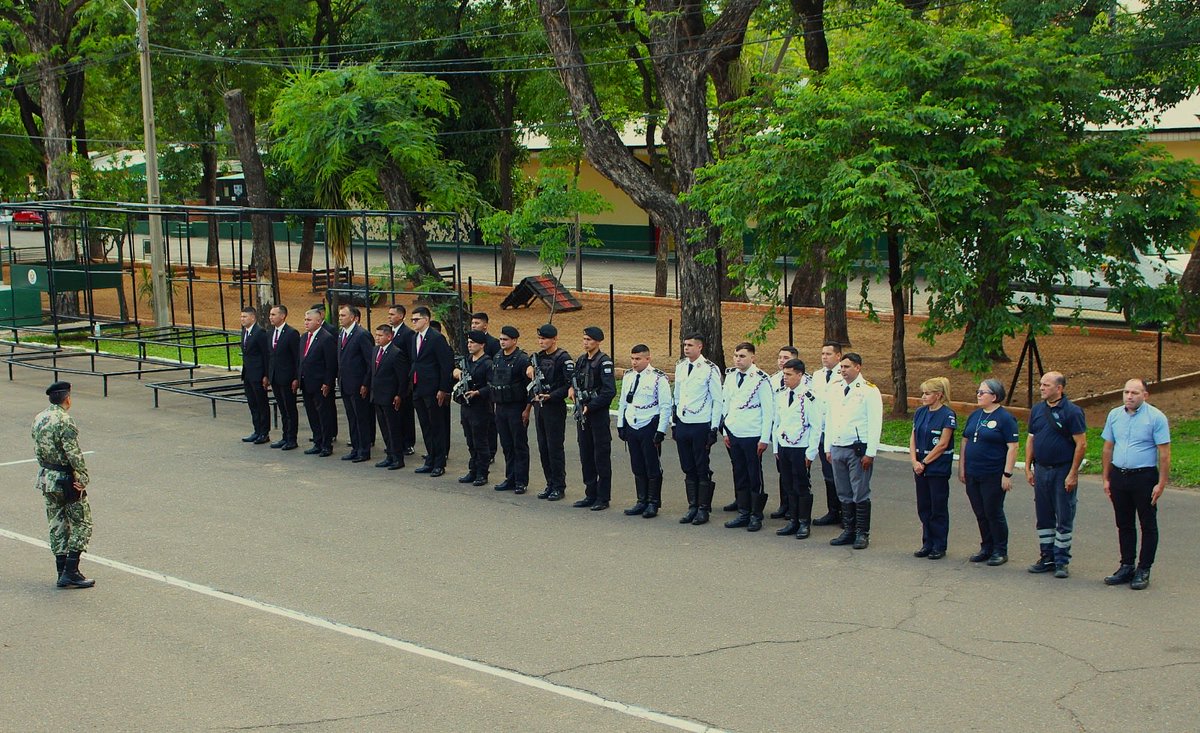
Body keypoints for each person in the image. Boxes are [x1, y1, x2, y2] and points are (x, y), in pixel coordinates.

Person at [1101, 379, 1171, 590]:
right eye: (1126, 392)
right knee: (1124, 523)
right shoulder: (1114, 415)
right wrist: (1106, 477)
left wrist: (1161, 483)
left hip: (1144, 477)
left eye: (1134, 393)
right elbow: (1107, 448)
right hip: (1119, 476)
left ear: (1145, 395)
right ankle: (1126, 565)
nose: (1129, 396)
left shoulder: (1155, 418)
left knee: (1147, 523)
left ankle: (1144, 568)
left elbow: (1164, 453)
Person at [1024, 371, 1087, 579]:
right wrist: (1027, 466)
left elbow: (1081, 444)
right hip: (1041, 469)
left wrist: (1072, 474)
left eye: (1046, 385)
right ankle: (1046, 556)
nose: (1041, 388)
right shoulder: (1037, 410)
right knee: (1044, 515)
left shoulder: (1072, 412)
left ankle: (1061, 560)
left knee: (1064, 514)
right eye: (1041, 384)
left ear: (1059, 389)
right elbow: (1031, 439)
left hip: (1062, 470)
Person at [32, 381, 95, 588]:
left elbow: (39, 451)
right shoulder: (64, 420)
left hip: (47, 478)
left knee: (57, 524)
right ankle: (71, 571)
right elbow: (73, 452)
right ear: (67, 398)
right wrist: (83, 477)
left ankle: (61, 571)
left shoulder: (39, 418)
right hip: (66, 479)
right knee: (82, 523)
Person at [823, 352, 883, 549]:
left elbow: (875, 423)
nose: (843, 371)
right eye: (841, 367)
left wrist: (870, 452)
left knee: (860, 491)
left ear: (858, 367)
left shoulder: (868, 390)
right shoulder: (835, 389)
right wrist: (828, 447)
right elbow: (831, 418)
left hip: (858, 448)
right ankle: (848, 530)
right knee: (843, 491)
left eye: (847, 367)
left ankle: (861, 532)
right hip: (838, 446)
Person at [959, 379, 1020, 566]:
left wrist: (1007, 474)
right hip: (973, 473)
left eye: (983, 392)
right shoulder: (975, 416)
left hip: (993, 474)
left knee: (993, 511)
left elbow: (1013, 447)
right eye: (978, 391)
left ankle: (1000, 550)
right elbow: (965, 441)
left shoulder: (1005, 418)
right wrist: (962, 467)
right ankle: (986, 546)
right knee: (980, 511)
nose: (978, 395)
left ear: (994, 396)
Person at [721, 342, 775, 532]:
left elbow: (768, 411)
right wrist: (726, 431)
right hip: (734, 431)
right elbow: (726, 404)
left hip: (752, 433)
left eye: (742, 356)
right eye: (736, 355)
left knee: (754, 475)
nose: (738, 359)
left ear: (753, 358)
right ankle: (743, 512)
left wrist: (764, 438)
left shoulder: (761, 379)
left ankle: (756, 515)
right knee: (739, 473)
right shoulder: (730, 376)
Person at [673, 333, 724, 525]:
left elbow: (717, 400)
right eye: (685, 345)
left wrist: (713, 428)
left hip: (701, 423)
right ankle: (692, 506)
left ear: (700, 347)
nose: (686, 348)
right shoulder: (680, 367)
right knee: (687, 466)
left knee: (701, 466)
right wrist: (675, 421)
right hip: (684, 422)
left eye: (690, 345)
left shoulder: (710, 369)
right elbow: (677, 395)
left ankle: (703, 509)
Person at [617, 344, 673, 518]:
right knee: (637, 465)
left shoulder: (658, 378)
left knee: (652, 466)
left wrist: (661, 431)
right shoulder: (628, 376)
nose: (634, 362)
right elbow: (623, 403)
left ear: (648, 359)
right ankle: (641, 501)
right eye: (632, 359)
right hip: (632, 424)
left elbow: (665, 407)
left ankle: (653, 502)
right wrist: (621, 424)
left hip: (649, 424)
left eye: (638, 359)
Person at [771, 359, 820, 538]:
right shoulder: (781, 395)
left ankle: (804, 523)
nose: (785, 378)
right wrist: (776, 447)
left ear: (800, 375)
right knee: (788, 483)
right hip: (784, 446)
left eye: (789, 374)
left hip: (801, 447)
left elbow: (816, 426)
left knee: (801, 485)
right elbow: (777, 422)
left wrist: (811, 452)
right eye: (784, 374)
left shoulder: (809, 397)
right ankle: (793, 520)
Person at [910, 377, 957, 560]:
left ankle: (939, 544)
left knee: (938, 507)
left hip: (936, 467)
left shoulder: (947, 415)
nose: (923, 396)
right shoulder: (920, 412)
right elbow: (913, 437)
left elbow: (943, 444)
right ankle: (927, 542)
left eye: (927, 393)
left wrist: (925, 462)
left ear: (938, 395)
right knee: (924, 506)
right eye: (923, 393)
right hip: (920, 465)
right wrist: (914, 461)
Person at [571, 326, 617, 510]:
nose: (586, 343)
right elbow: (574, 380)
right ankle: (590, 493)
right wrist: (572, 390)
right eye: (584, 339)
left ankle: (603, 497)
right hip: (583, 413)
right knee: (586, 454)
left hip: (597, 414)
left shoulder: (604, 362)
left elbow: (609, 392)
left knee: (601, 455)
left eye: (589, 340)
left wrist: (590, 406)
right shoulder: (582, 360)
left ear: (598, 341)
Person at [528, 323, 573, 501]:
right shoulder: (537, 358)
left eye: (544, 338)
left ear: (554, 339)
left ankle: (558, 486)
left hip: (554, 407)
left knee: (554, 448)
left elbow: (568, 385)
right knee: (543, 447)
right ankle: (549, 483)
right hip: (540, 407)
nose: (541, 342)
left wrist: (551, 396)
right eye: (539, 338)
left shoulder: (563, 357)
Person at [408, 305, 454, 476]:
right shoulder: (415, 338)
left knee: (437, 425)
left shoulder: (436, 338)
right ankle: (430, 457)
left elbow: (445, 365)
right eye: (412, 320)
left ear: (426, 320)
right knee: (425, 425)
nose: (413, 322)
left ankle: (439, 462)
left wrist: (443, 388)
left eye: (416, 319)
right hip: (418, 386)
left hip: (433, 388)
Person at [489, 326, 533, 493]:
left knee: (519, 445)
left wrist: (527, 409)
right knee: (507, 445)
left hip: (516, 407)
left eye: (505, 339)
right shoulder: (498, 357)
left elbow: (530, 387)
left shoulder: (522, 359)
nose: (502, 342)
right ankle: (511, 478)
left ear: (514, 341)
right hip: (501, 407)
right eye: (500, 339)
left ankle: (521, 481)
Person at [454, 331, 494, 487]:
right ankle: (473, 469)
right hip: (466, 406)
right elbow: (457, 373)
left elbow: (492, 386)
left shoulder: (487, 363)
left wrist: (478, 392)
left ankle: (482, 472)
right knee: (470, 440)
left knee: (480, 441)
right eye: (469, 342)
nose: (469, 345)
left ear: (482, 344)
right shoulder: (467, 361)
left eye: (473, 342)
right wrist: (456, 373)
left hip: (480, 407)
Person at [811, 341, 844, 528]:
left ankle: (845, 512)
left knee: (840, 474)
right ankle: (833, 511)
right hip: (821, 429)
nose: (824, 357)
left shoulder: (843, 374)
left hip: (836, 431)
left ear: (838, 356)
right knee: (828, 473)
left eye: (828, 354)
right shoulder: (817, 375)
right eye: (822, 353)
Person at [337, 305, 375, 462]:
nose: (340, 318)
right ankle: (355, 446)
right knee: (351, 417)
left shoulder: (361, 335)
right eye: (340, 315)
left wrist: (365, 383)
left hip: (358, 384)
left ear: (353, 318)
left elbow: (369, 362)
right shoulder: (342, 334)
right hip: (345, 383)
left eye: (343, 315)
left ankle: (364, 449)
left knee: (361, 418)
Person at [298, 308, 338, 457]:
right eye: (305, 319)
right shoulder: (304, 338)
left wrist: (328, 382)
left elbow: (330, 363)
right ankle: (317, 441)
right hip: (306, 382)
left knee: (324, 414)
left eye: (309, 320)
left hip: (320, 384)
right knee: (312, 413)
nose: (306, 322)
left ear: (318, 321)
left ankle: (326, 444)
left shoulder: (326, 338)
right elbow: (301, 360)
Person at [766, 346, 800, 519]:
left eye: (785, 358)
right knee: (783, 471)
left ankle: (796, 510)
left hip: (796, 435)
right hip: (779, 430)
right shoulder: (773, 380)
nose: (781, 361)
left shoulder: (805, 382)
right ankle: (784, 504)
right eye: (779, 357)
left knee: (798, 475)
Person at [369, 324, 409, 470]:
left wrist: (399, 394)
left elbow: (402, 377)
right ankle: (389, 455)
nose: (377, 338)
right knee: (384, 428)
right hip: (377, 395)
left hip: (390, 396)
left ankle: (398, 458)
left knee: (393, 429)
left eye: (380, 336)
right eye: (376, 335)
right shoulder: (375, 351)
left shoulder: (396, 353)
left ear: (389, 336)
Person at [267, 305, 300, 451]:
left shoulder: (292, 333)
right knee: (282, 409)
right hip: (275, 377)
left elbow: (297, 358)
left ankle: (292, 438)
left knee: (290, 409)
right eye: (270, 314)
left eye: (274, 314)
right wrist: (268, 375)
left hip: (287, 378)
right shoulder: (270, 333)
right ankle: (285, 436)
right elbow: (270, 356)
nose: (270, 317)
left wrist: (295, 378)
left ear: (282, 316)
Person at [238, 306, 272, 445]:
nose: (242, 319)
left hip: (258, 374)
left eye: (245, 317)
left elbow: (266, 355)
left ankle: (264, 432)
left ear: (253, 317)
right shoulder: (244, 332)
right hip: (248, 374)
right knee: (252, 403)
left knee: (261, 403)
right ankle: (257, 430)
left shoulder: (260, 333)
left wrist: (266, 375)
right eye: (241, 317)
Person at [471, 311, 502, 462]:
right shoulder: (471, 342)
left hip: (488, 387)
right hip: (474, 389)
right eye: (472, 323)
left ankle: (491, 451)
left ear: (485, 325)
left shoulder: (493, 343)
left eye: (477, 323)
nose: (474, 325)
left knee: (490, 422)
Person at [387, 304, 417, 456]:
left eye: (392, 314)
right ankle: (396, 441)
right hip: (390, 379)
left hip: (403, 378)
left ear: (400, 316)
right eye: (389, 314)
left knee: (406, 412)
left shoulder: (407, 334)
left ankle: (408, 442)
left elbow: (411, 357)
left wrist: (409, 380)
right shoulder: (389, 332)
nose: (389, 317)